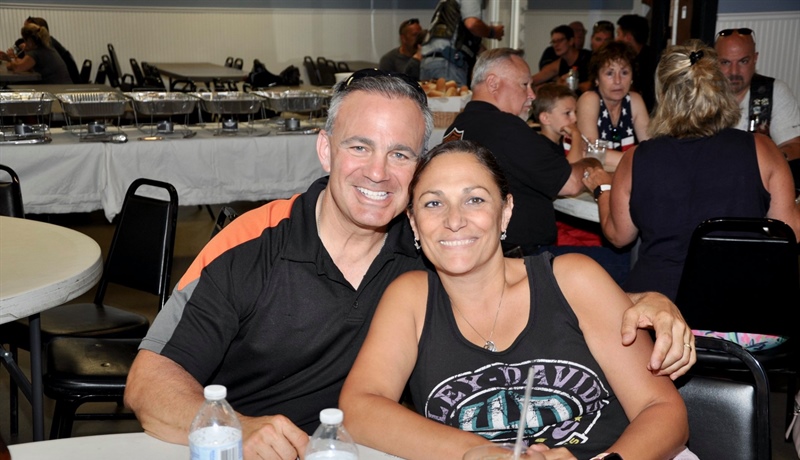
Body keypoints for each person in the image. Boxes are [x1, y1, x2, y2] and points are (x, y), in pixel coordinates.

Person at [125, 69, 695, 460]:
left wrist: (645, 302)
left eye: (399, 153)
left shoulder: (425, 250)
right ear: (325, 150)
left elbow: (521, 280)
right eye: (359, 146)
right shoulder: (252, 244)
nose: (378, 172)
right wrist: (238, 429)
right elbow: (149, 384)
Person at [339, 140, 692, 459]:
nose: (454, 220)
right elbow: (359, 409)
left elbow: (661, 409)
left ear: (505, 211)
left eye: (475, 199)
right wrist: (484, 454)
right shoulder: (411, 298)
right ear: (414, 223)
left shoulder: (573, 279)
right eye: (434, 203)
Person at [582, 40, 800, 349]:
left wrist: (603, 187)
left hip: (658, 323)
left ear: (663, 96)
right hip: (749, 322)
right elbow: (790, 233)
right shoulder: (763, 150)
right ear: (720, 90)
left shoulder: (637, 159)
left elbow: (619, 236)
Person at [444, 47, 600, 258]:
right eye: (525, 84)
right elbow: (570, 183)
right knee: (624, 261)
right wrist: (593, 162)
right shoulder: (505, 127)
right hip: (521, 259)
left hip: (481, 254)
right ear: (493, 83)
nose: (532, 95)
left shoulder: (457, 127)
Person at [533, 83, 630, 285]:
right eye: (567, 113)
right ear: (545, 118)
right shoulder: (541, 145)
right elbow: (570, 170)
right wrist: (577, 135)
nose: (574, 119)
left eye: (575, 113)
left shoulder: (556, 143)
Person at [714, 28, 800, 165]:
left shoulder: (774, 91)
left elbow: (794, 145)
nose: (734, 72)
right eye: (725, 62)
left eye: (743, 61)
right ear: (714, 61)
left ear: (755, 58)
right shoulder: (699, 94)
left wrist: (768, 164)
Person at [577, 41, 650, 170]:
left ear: (632, 77)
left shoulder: (635, 100)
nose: (618, 81)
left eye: (624, 73)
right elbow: (592, 154)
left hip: (623, 174)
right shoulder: (589, 100)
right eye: (609, 73)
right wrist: (637, 161)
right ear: (596, 79)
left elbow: (651, 149)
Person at [419, 0, 504, 86]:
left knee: (431, 94)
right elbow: (472, 24)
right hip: (449, 62)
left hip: (430, 61)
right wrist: (493, 32)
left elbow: (460, 37)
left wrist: (492, 58)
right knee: (452, 94)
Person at [1, 23, 71, 84]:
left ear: (29, 40)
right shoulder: (46, 48)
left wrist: (11, 60)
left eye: (25, 40)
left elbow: (18, 68)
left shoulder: (36, 52)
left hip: (55, 88)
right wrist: (11, 59)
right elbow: (25, 63)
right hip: (62, 86)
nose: (24, 43)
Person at [616, 14, 658, 113]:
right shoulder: (633, 58)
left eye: (618, 34)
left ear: (628, 37)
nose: (616, 39)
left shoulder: (650, 62)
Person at [531, 25, 592, 91]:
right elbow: (536, 79)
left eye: (560, 40)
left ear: (571, 41)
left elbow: (595, 84)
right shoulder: (559, 63)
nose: (556, 45)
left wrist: (573, 84)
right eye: (553, 42)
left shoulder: (588, 57)